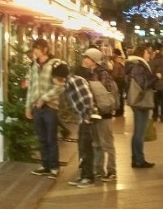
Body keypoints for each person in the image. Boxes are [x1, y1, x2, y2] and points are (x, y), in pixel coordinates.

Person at [50, 62, 96, 188]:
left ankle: (88, 178)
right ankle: (83, 176)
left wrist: (86, 118)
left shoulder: (76, 82)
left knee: (86, 148)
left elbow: (88, 100)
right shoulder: (68, 85)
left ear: (60, 77)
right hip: (82, 119)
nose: (54, 81)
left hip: (86, 120)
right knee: (82, 148)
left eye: (54, 78)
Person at [25, 39, 62, 178]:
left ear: (46, 49)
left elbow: (60, 86)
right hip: (36, 107)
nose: (35, 51)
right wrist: (28, 106)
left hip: (50, 107)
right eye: (34, 48)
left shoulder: (56, 64)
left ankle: (54, 166)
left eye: (38, 48)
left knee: (51, 138)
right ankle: (45, 165)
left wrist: (44, 98)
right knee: (41, 138)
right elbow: (31, 87)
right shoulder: (33, 65)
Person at [81, 48, 119, 182]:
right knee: (97, 143)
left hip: (104, 113)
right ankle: (98, 170)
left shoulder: (103, 74)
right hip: (94, 113)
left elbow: (109, 94)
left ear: (94, 60)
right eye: (85, 57)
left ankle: (111, 171)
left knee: (106, 143)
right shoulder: (89, 73)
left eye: (87, 57)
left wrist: (105, 108)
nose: (85, 60)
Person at [125, 45, 159, 168]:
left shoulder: (134, 64)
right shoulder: (138, 66)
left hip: (138, 101)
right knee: (140, 132)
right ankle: (139, 160)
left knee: (138, 132)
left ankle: (137, 158)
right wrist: (156, 77)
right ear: (141, 53)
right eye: (147, 52)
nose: (148, 55)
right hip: (141, 102)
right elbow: (144, 83)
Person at [150, 46, 163, 122]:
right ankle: (162, 116)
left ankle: (155, 116)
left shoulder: (153, 60)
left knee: (155, 101)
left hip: (155, 84)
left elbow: (151, 71)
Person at [110, 49, 126, 117]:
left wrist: (112, 79)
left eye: (113, 53)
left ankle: (118, 111)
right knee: (121, 97)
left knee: (118, 97)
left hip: (118, 82)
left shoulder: (116, 64)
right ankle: (121, 111)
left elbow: (115, 75)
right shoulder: (121, 62)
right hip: (122, 81)